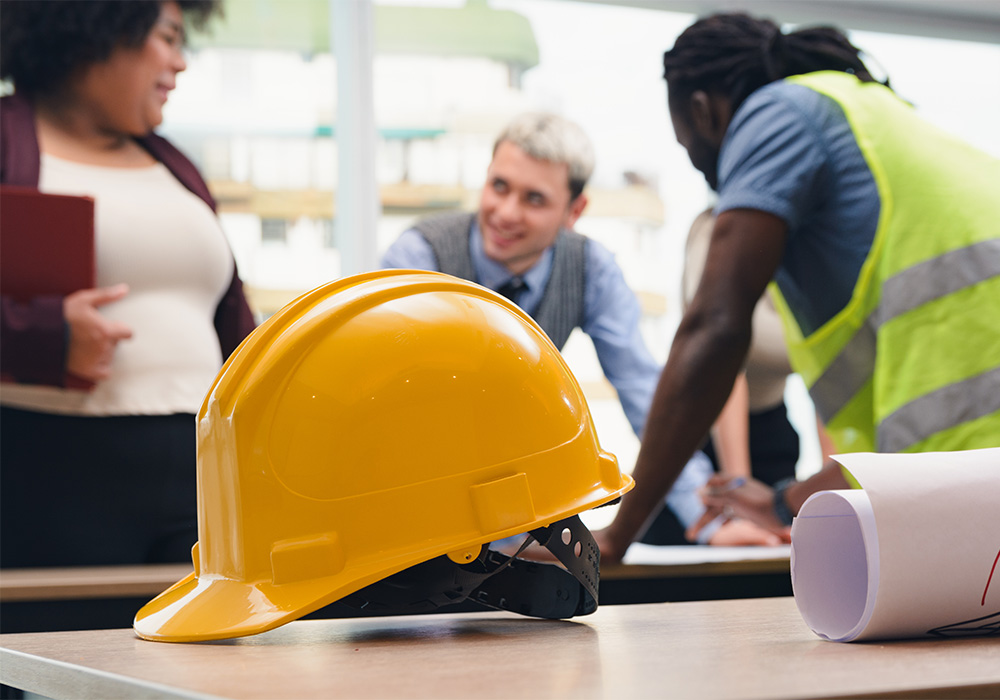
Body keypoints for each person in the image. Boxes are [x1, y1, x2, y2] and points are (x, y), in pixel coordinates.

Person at [596, 12, 1000, 561]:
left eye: (686, 145)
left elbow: (715, 327)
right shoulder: (867, 123)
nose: (706, 172)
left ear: (701, 110)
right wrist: (787, 503)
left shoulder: (779, 113)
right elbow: (904, 448)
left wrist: (618, 536)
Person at [381, 112, 772, 545]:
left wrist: (712, 523)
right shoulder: (418, 257)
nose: (506, 212)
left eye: (534, 199)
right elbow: (396, 407)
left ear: (575, 211)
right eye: (499, 187)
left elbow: (645, 393)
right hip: (410, 497)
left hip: (518, 500)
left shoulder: (592, 269)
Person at [0, 0, 256, 570]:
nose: (180, 62)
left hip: (203, 478)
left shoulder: (174, 165)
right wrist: (46, 335)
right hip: (52, 474)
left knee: (210, 658)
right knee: (60, 655)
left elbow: (231, 320)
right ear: (98, 27)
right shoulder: (8, 139)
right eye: (167, 37)